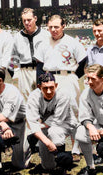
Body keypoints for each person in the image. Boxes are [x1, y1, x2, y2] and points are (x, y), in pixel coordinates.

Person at [34, 14, 87, 159]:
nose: (53, 30)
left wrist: (75, 76)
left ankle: (76, 149)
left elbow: (83, 61)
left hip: (68, 76)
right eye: (50, 27)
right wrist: (40, 83)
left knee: (72, 112)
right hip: (50, 78)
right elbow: (39, 65)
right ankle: (55, 146)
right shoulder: (43, 43)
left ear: (63, 26)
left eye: (56, 27)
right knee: (50, 113)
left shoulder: (72, 42)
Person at [26, 73, 93, 175]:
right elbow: (32, 123)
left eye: (51, 88)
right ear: (39, 87)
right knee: (48, 166)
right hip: (46, 125)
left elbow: (57, 121)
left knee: (54, 131)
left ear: (56, 86)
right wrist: (44, 139)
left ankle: (62, 168)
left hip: (66, 123)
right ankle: (54, 163)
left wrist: (38, 132)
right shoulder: (34, 97)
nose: (48, 91)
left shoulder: (63, 94)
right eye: (45, 88)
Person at [11, 8, 50, 100]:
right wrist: (15, 74)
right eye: (24, 20)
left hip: (41, 70)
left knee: (43, 99)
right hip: (24, 71)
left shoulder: (45, 35)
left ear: (35, 18)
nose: (27, 23)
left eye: (29, 20)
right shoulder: (17, 37)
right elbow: (13, 58)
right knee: (26, 101)